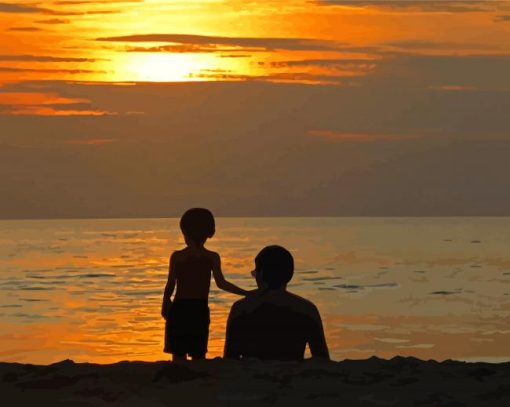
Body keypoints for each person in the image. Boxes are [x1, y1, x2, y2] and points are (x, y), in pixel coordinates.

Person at [161, 208, 250, 361]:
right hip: (194, 308)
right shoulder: (209, 257)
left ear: (185, 233)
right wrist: (246, 293)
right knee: (196, 352)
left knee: (182, 352)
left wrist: (165, 301)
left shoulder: (179, 256)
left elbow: (171, 284)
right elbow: (221, 283)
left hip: (185, 308)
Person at [224, 245, 330, 361]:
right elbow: (322, 358)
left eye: (256, 272)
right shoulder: (307, 309)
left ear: (261, 274)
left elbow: (230, 358)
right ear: (289, 275)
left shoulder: (241, 308)